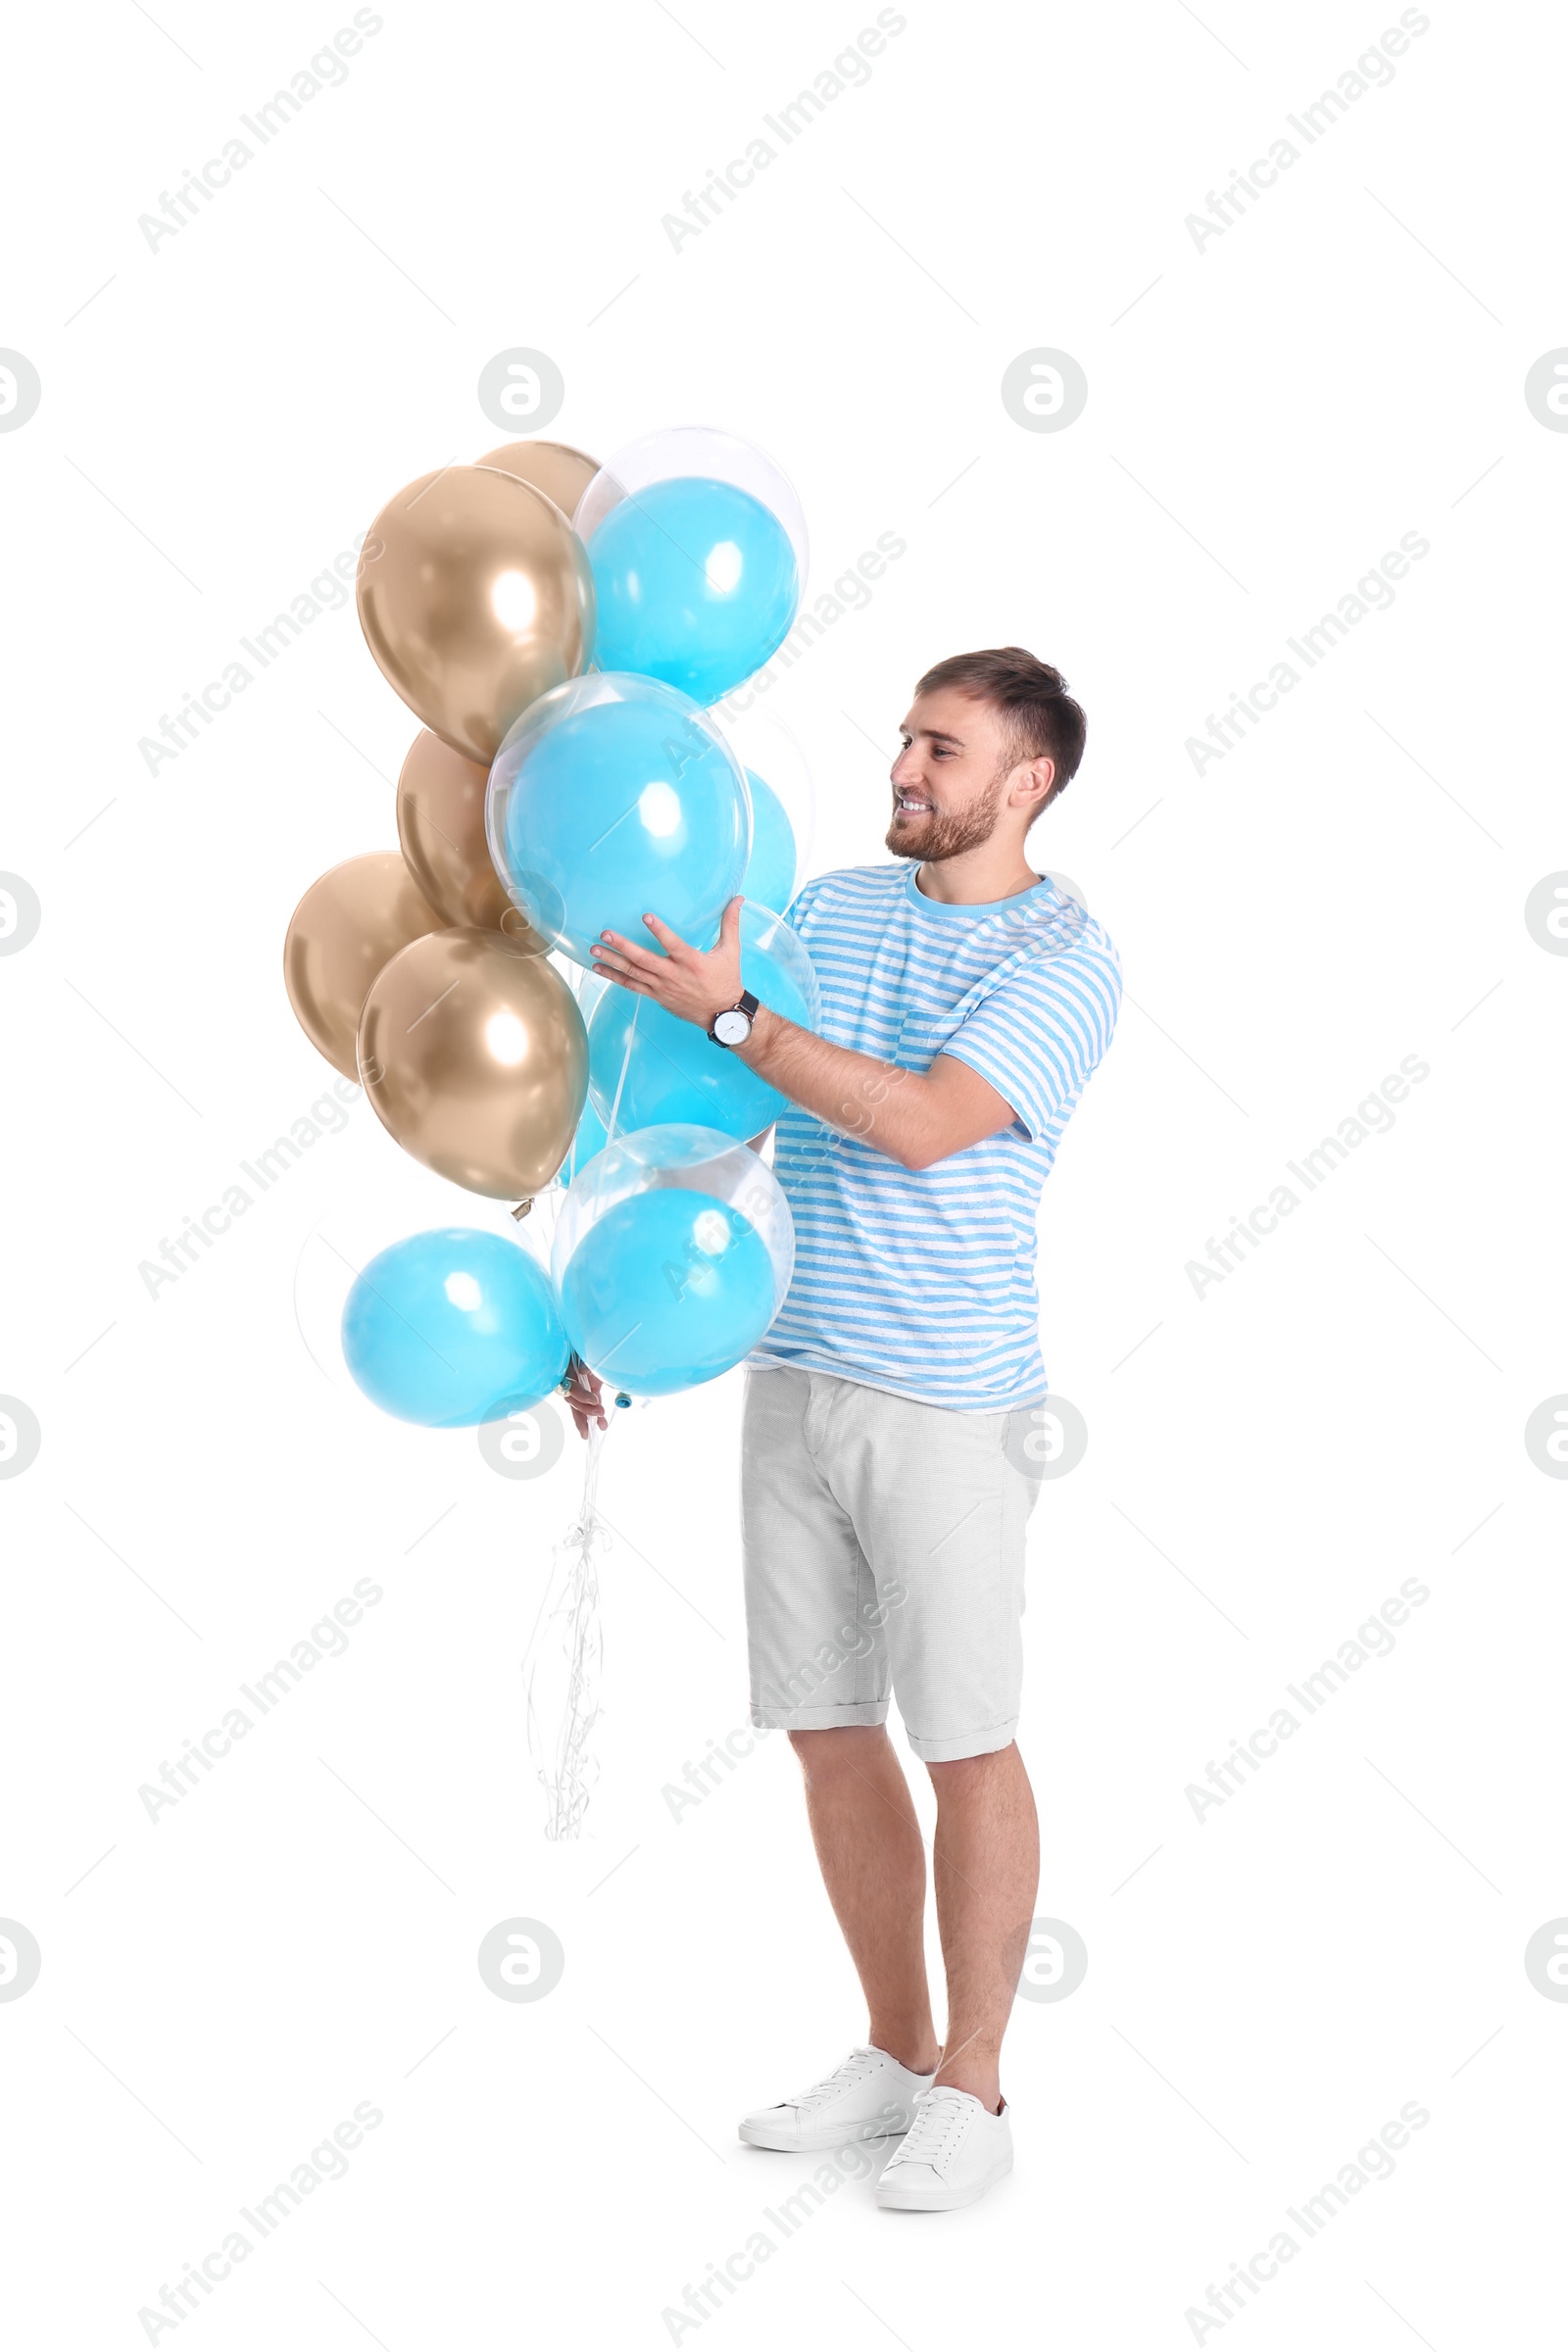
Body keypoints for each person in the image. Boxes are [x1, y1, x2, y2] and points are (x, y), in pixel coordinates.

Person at [580, 646, 1121, 2212]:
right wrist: (600, 1307)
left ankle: (977, 2084)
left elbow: (925, 1121)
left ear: (1027, 782)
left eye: (942, 751)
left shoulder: (1067, 955)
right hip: (788, 1366)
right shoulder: (828, 902)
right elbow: (724, 1105)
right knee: (827, 1732)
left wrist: (742, 1013)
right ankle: (892, 2054)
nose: (905, 767)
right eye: (903, 738)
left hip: (945, 1395)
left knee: (964, 1738)